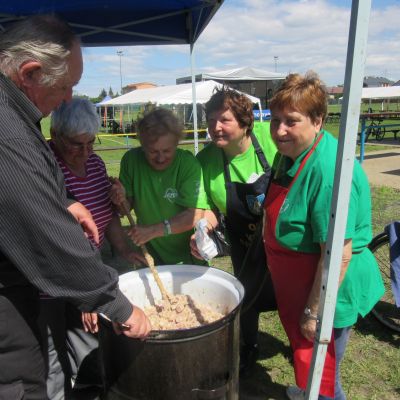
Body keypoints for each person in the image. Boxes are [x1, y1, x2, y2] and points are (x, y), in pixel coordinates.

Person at [0, 15, 150, 400]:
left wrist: (64, 201)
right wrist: (115, 304)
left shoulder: (16, 115)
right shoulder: (7, 129)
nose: (68, 98)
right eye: (66, 86)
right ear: (30, 73)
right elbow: (39, 228)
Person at [263, 72, 385, 400]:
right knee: (309, 363)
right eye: (275, 120)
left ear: (318, 120)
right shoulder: (288, 151)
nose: (279, 130)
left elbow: (337, 254)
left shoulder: (327, 171)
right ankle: (307, 392)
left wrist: (315, 311)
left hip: (329, 285)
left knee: (325, 370)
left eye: (291, 120)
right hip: (299, 280)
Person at [39, 98, 146, 399]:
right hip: (51, 282)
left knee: (88, 356)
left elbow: (106, 216)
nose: (86, 153)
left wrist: (123, 248)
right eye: (77, 144)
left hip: (87, 273)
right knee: (51, 362)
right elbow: (54, 235)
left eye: (91, 143)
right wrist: (89, 295)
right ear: (56, 136)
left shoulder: (97, 165)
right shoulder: (45, 163)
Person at [191, 86, 278, 377]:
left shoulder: (271, 137)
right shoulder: (205, 160)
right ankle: (248, 350)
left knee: (291, 296)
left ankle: (303, 346)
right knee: (246, 298)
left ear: (246, 123)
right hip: (245, 242)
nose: (216, 127)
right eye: (211, 120)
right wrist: (202, 230)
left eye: (225, 120)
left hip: (282, 240)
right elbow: (207, 209)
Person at [114, 107, 209, 265]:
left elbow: (195, 215)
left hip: (190, 258)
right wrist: (120, 197)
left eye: (167, 151)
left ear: (177, 143)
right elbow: (124, 210)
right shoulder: (131, 161)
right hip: (152, 258)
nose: (160, 158)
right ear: (142, 144)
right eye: (152, 151)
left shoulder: (188, 164)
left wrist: (152, 231)